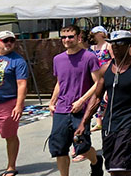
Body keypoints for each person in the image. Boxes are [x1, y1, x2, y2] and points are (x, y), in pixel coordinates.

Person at [76, 30, 131, 175]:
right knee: (113, 169)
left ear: (129, 45)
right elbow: (97, 97)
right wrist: (84, 122)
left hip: (129, 121)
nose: (116, 47)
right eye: (113, 44)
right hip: (110, 122)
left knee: (120, 167)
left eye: (120, 44)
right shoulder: (105, 68)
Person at [48, 25, 104, 176]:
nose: (67, 40)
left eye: (70, 36)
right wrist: (52, 102)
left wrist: (82, 100)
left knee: (82, 147)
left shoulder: (88, 57)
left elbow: (98, 82)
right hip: (61, 109)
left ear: (79, 37)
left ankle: (96, 161)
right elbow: (60, 82)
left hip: (81, 109)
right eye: (64, 37)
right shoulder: (58, 59)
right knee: (59, 149)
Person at [0, 31, 28, 176]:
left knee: (9, 135)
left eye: (11, 40)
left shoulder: (18, 61)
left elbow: (22, 84)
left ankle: (11, 166)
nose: (9, 43)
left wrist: (18, 105)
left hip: (7, 104)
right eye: (5, 40)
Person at [89, 26, 113, 132]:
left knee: (106, 97)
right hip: (95, 74)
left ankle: (107, 119)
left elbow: (113, 59)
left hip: (106, 73)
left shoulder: (108, 45)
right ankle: (99, 122)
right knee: (96, 96)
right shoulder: (92, 47)